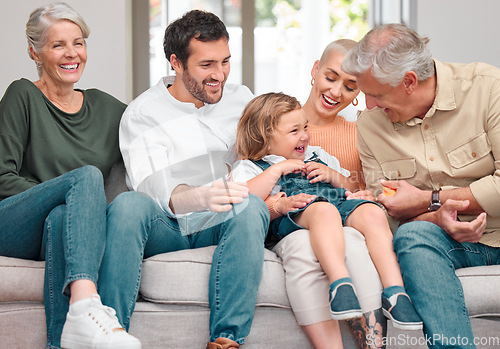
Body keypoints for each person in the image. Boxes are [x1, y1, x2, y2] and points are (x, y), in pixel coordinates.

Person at [114, 10, 269, 349]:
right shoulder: (143, 113)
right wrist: (202, 195)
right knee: (128, 205)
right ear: (177, 63)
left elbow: (267, 149)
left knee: (251, 206)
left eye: (225, 62)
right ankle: (110, 331)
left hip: (218, 220)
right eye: (207, 65)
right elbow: (152, 187)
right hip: (168, 228)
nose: (220, 75)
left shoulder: (242, 99)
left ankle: (227, 339)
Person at [342, 23, 500, 348]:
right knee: (414, 235)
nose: (367, 104)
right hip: (451, 243)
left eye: (376, 94)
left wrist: (431, 198)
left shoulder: (488, 89)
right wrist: (436, 217)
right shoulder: (371, 127)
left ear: (409, 81)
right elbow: (386, 215)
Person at [0, 3, 141, 349]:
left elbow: (153, 126)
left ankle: (63, 342)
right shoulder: (23, 94)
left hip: (60, 229)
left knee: (65, 216)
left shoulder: (105, 109)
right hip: (14, 221)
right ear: (34, 51)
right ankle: (85, 303)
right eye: (58, 45)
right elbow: (2, 176)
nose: (71, 53)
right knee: (84, 179)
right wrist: (60, 194)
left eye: (78, 43)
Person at [233, 91, 422, 328]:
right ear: (265, 137)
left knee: (371, 211)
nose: (304, 136)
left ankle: (395, 293)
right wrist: (276, 170)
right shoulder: (252, 167)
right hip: (296, 215)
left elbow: (351, 188)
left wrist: (334, 176)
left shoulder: (318, 155)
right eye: (294, 131)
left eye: (305, 127)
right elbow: (243, 198)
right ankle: (340, 284)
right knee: (323, 209)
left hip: (336, 206)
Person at [271, 39, 386, 349]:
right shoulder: (278, 122)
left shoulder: (361, 133)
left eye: (349, 86)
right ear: (315, 71)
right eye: (331, 77)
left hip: (345, 221)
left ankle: (372, 341)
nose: (336, 92)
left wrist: (360, 191)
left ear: (359, 92)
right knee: (303, 248)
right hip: (296, 217)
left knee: (353, 241)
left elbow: (367, 188)